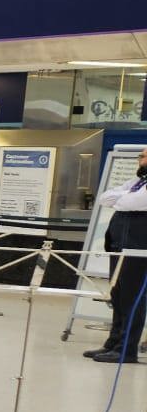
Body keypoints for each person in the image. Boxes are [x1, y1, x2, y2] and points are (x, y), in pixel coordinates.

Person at [88, 153, 147, 365]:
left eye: (145, 156)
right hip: (119, 245)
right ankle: (113, 343)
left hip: (138, 249)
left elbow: (135, 201)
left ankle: (126, 350)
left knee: (132, 299)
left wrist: (123, 198)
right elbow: (105, 198)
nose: (140, 159)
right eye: (141, 155)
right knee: (118, 296)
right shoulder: (138, 182)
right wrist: (125, 197)